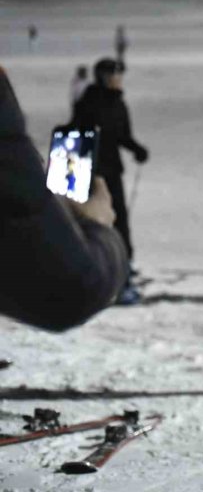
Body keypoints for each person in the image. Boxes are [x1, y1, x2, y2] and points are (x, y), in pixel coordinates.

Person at [0, 66, 128, 331]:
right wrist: (97, 227)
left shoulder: (100, 101)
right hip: (99, 178)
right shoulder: (97, 102)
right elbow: (70, 287)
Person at [72, 58, 149, 304]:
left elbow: (122, 135)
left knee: (120, 221)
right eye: (113, 74)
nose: (118, 78)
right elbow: (80, 132)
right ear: (102, 76)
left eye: (119, 74)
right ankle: (109, 279)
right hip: (93, 173)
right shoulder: (90, 101)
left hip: (112, 170)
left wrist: (137, 149)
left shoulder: (118, 103)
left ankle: (124, 270)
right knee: (99, 222)